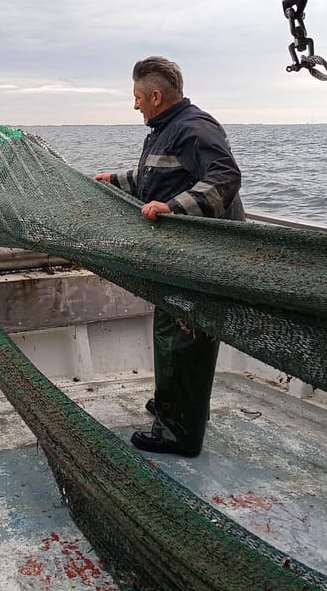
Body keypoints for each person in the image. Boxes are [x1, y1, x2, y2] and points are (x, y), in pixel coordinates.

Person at [95, 56, 245, 457]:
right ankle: (174, 406)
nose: (135, 105)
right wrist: (115, 180)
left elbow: (226, 177)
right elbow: (158, 178)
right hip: (180, 256)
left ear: (156, 96)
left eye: (137, 97)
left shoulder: (194, 128)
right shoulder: (166, 130)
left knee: (185, 335)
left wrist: (174, 208)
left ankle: (179, 432)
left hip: (204, 256)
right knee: (171, 329)